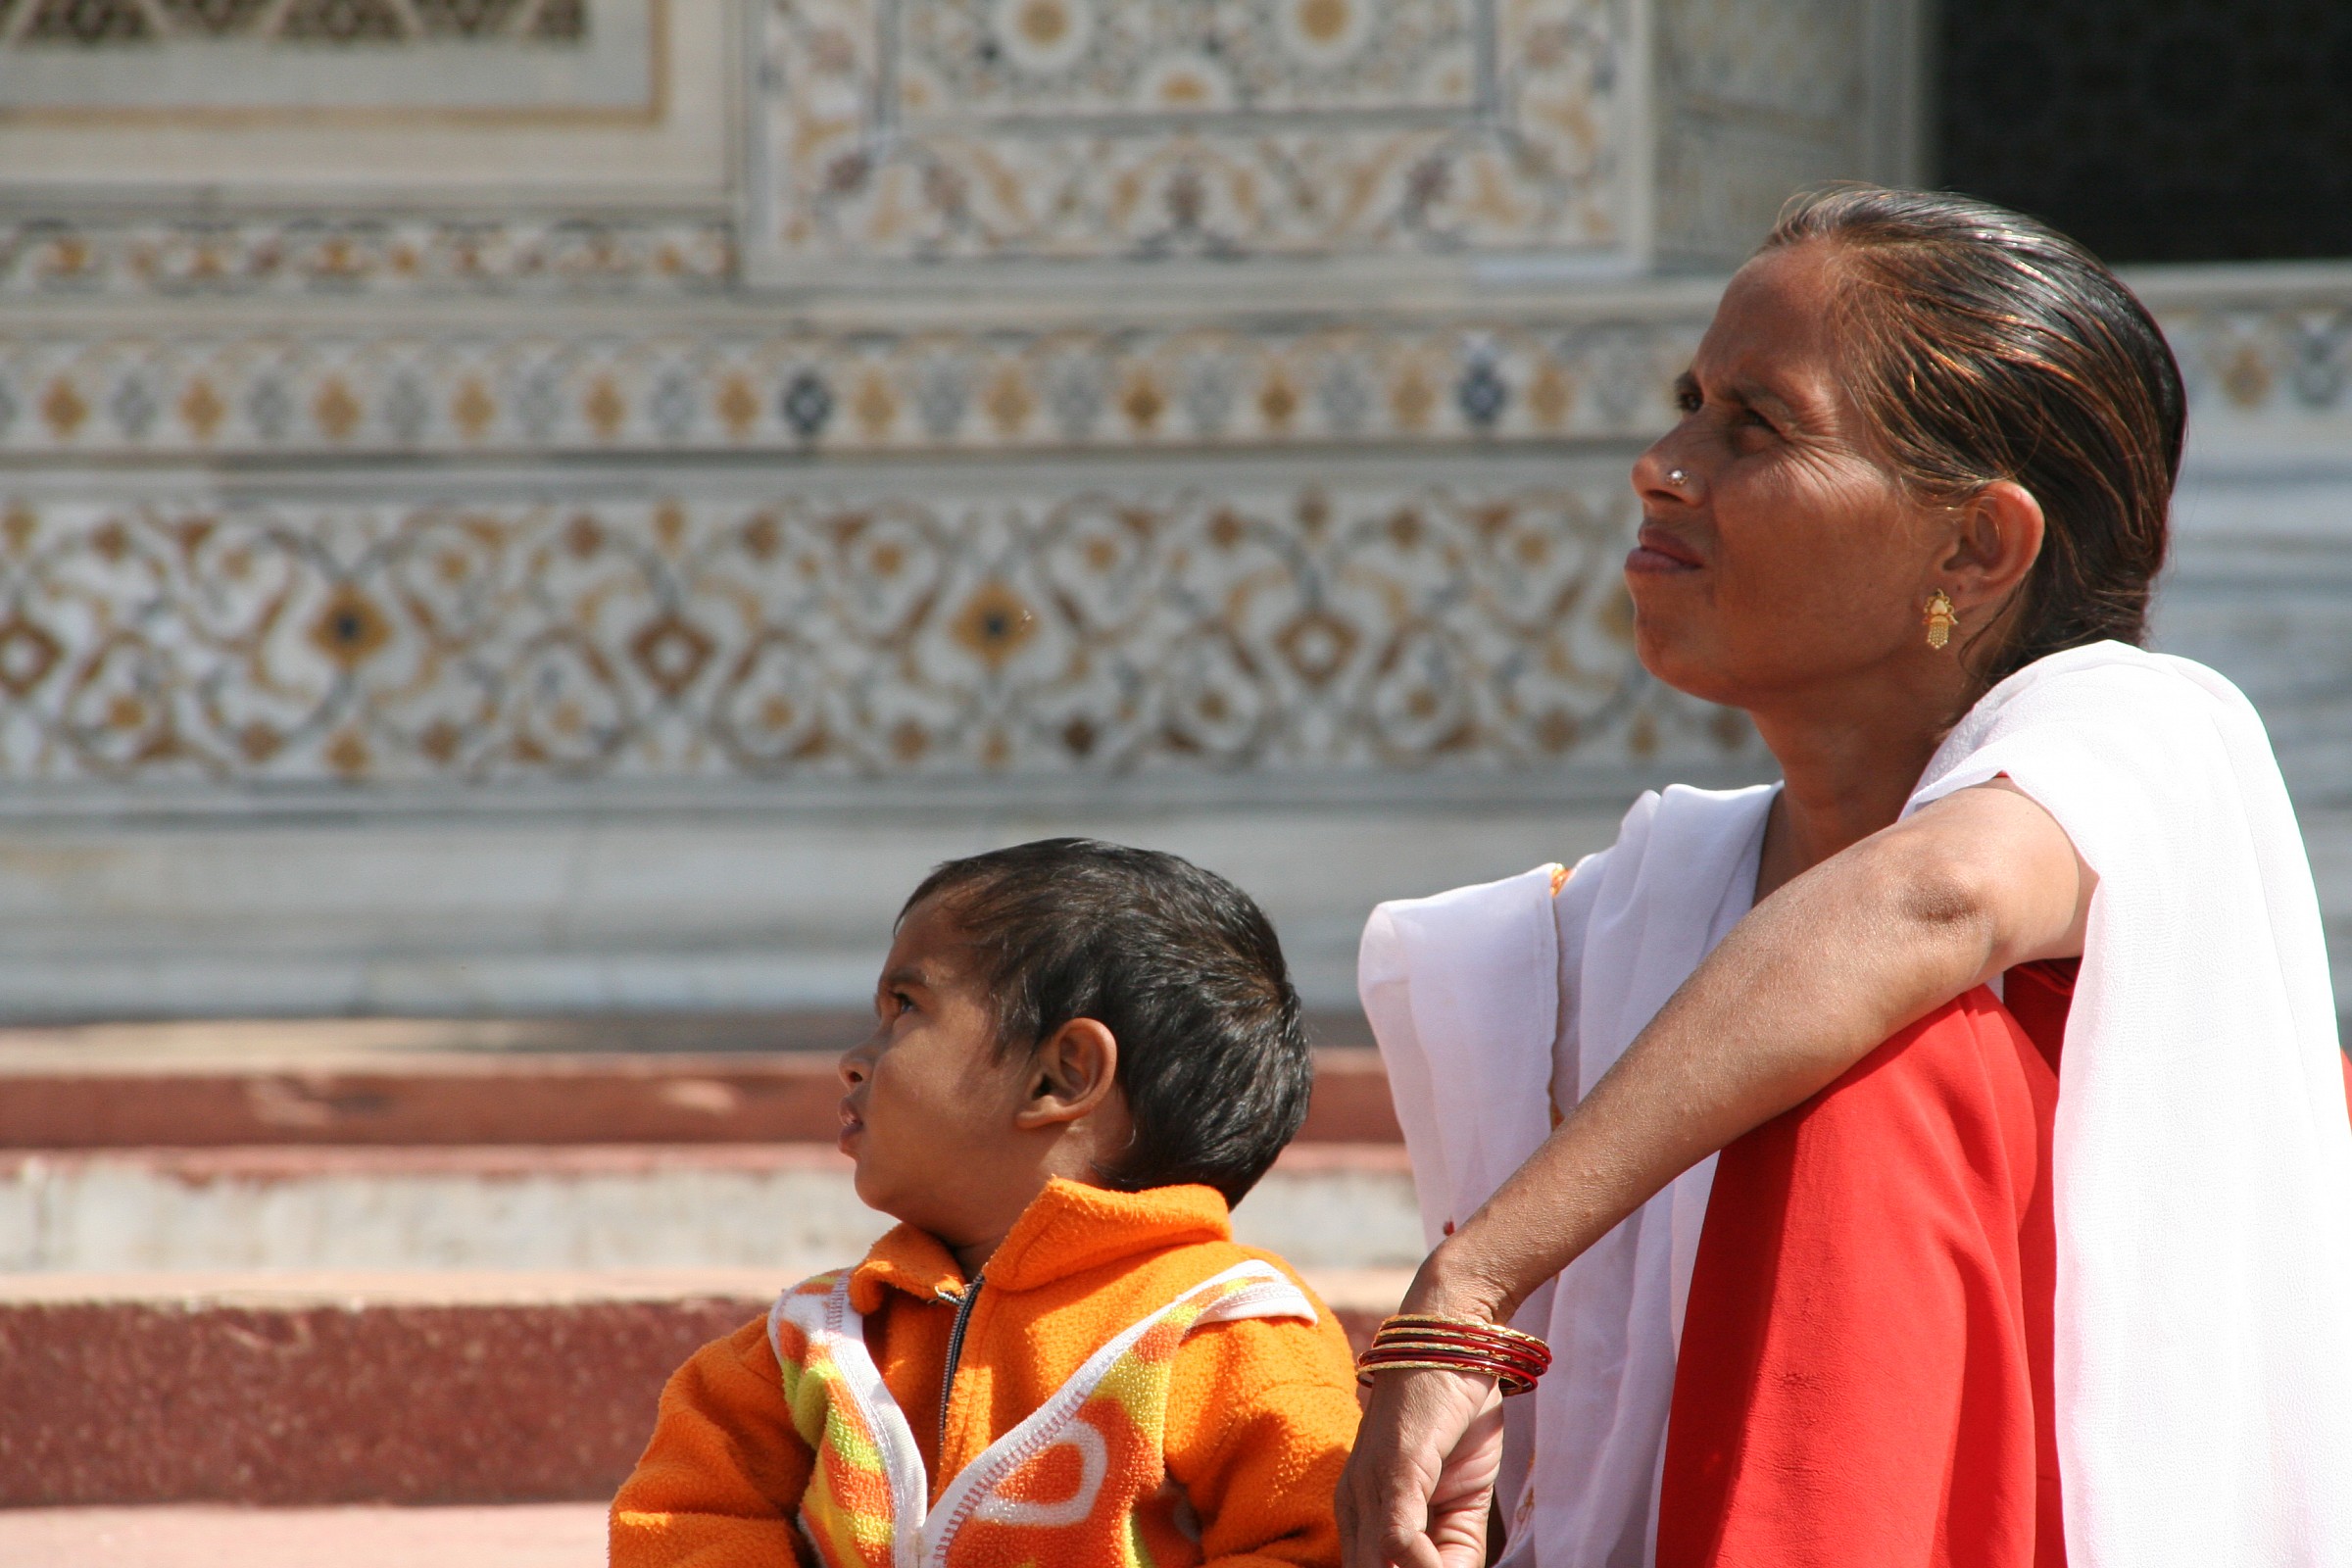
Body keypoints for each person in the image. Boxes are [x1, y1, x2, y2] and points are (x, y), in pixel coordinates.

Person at [1341, 186, 2352, 1568]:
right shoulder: (1642, 901)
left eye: (1755, 425)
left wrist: (1474, 1284)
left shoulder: (2144, 730)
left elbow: (1931, 904)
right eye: (1689, 403)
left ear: (1975, 548)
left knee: (1881, 1055)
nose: (1661, 465)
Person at [612, 839, 1363, 1568]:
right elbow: (686, 1510)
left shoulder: (1229, 1329)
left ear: (1060, 1077)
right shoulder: (820, 1337)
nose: (853, 1061)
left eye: (904, 1006)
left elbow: (1313, 1545)